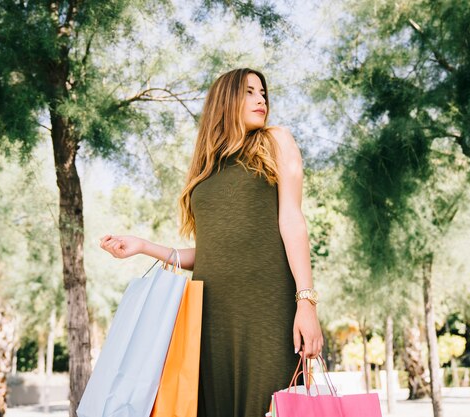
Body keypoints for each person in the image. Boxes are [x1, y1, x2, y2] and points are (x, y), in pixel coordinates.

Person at [100, 68, 323, 417]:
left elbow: (292, 220)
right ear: (226, 100)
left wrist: (306, 302)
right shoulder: (206, 169)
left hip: (266, 310)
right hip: (210, 316)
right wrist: (144, 246)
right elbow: (212, 253)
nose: (261, 99)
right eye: (249, 91)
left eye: (262, 92)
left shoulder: (276, 140)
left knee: (269, 407)